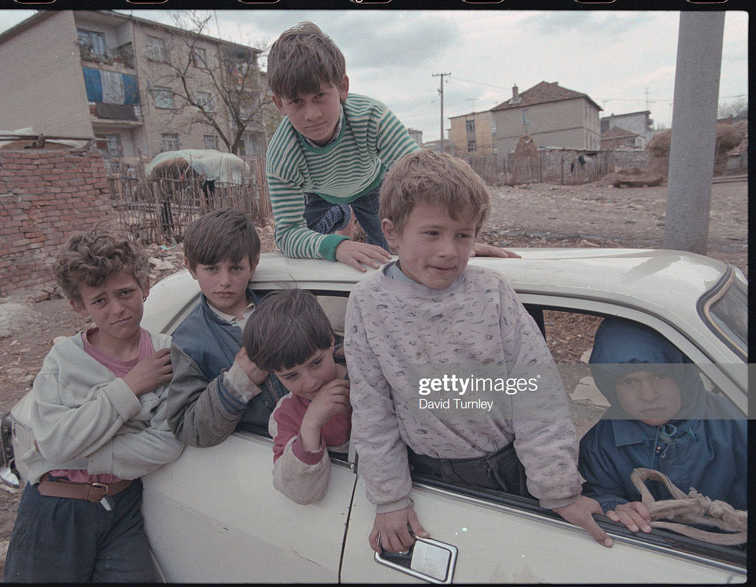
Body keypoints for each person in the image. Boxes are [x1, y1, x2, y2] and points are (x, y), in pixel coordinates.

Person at [344, 150, 613, 555]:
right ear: (392, 231)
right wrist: (390, 499)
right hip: (426, 477)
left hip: (511, 468)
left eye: (463, 235)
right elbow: (372, 410)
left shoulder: (492, 293)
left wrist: (558, 490)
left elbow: (537, 393)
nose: (450, 251)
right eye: (432, 233)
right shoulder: (367, 304)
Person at [4, 226, 184, 582]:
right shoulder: (64, 360)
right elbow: (55, 441)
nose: (117, 309)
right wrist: (129, 387)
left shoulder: (167, 354)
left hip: (123, 508)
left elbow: (166, 443)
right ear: (78, 304)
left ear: (145, 287)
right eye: (99, 300)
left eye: (125, 293)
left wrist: (78, 449)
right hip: (56, 508)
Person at [265, 21, 516, 272]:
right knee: (307, 252)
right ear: (280, 105)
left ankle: (353, 214)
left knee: (389, 252)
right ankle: (341, 213)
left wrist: (456, 237)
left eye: (320, 96)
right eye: (297, 101)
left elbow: (424, 176)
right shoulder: (282, 155)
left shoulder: (372, 118)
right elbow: (287, 235)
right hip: (320, 193)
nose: (312, 114)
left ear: (342, 87)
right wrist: (338, 246)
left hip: (371, 185)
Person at [578, 317, 747, 534]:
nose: (648, 396)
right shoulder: (600, 445)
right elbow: (599, 493)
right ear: (610, 387)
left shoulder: (735, 423)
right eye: (629, 382)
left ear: (682, 375)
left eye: (660, 376)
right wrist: (614, 506)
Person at [166, 209, 290, 446]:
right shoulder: (188, 342)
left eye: (236, 268)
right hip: (254, 457)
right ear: (191, 268)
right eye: (212, 269)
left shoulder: (281, 310)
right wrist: (237, 383)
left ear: (253, 265)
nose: (225, 281)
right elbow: (188, 427)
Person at [243, 289, 350, 505]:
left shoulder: (366, 376)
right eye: (291, 375)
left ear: (330, 340)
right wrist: (310, 424)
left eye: (316, 363)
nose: (310, 382)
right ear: (274, 374)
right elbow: (299, 491)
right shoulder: (287, 415)